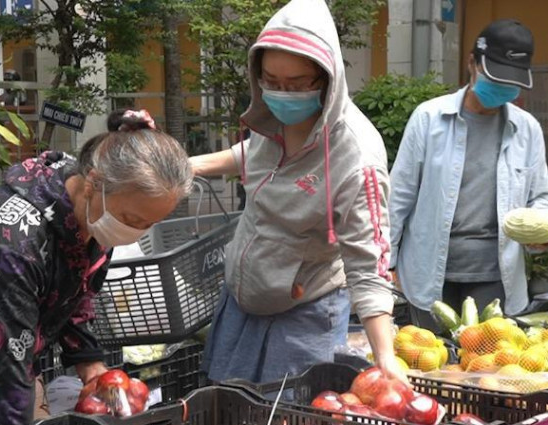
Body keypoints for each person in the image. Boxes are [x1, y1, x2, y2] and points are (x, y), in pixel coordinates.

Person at [0, 110, 192, 425]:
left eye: (148, 224)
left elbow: (73, 290)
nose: (134, 233)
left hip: (10, 362)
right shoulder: (13, 240)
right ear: (93, 184)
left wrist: (90, 364)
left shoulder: (94, 210)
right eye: (131, 219)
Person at [190, 0, 401, 384]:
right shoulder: (270, 115)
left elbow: (368, 265)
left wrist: (385, 356)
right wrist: (192, 165)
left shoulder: (357, 157)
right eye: (270, 80)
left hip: (303, 313)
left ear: (326, 79)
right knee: (228, 414)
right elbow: (256, 154)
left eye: (296, 85)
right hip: (241, 300)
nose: (280, 93)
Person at [389, 19, 548, 333]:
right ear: (471, 63)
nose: (501, 89)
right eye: (495, 78)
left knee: (487, 369)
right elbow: (399, 197)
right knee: (429, 367)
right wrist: (387, 265)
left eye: (510, 83)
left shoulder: (526, 129)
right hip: (429, 275)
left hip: (496, 276)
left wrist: (538, 229)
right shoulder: (428, 119)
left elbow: (540, 195)